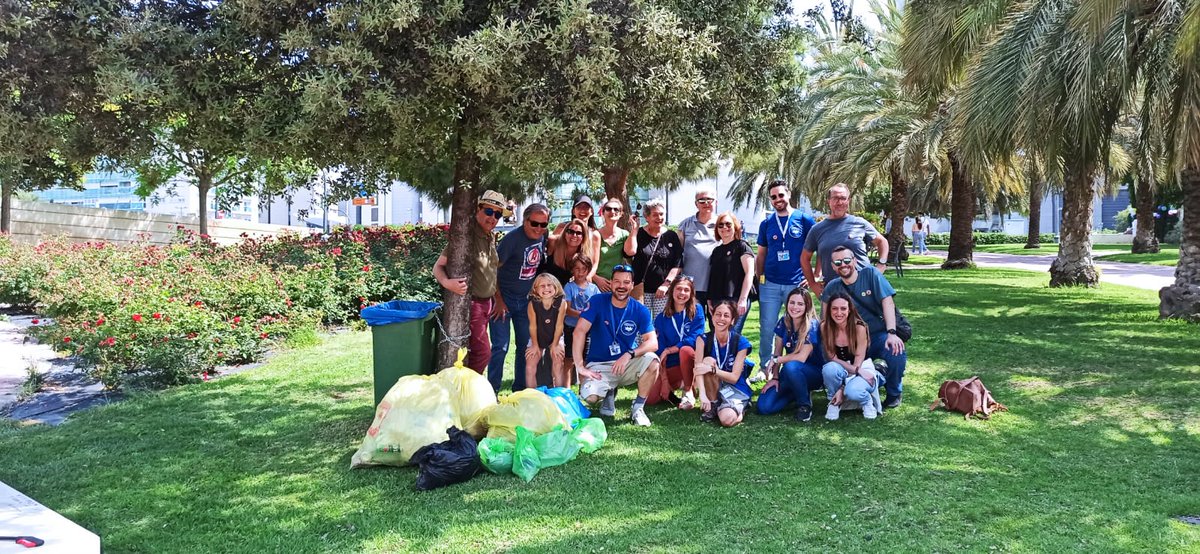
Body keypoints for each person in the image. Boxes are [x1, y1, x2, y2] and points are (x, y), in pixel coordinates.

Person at [572, 264, 661, 426]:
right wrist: (580, 366)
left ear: (632, 285)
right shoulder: (597, 301)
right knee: (590, 398)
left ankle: (638, 408)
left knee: (653, 361)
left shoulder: (640, 309)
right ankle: (608, 392)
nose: (621, 286)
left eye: (626, 282)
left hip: (625, 363)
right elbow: (579, 332)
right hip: (600, 364)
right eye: (617, 281)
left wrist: (629, 354)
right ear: (611, 283)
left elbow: (653, 342)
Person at [821, 245, 908, 409]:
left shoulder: (870, 274)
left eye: (847, 260)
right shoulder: (832, 287)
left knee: (896, 350)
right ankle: (840, 391)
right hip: (848, 341)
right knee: (831, 362)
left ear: (854, 260)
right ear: (833, 266)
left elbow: (887, 302)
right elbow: (825, 320)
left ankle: (894, 392)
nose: (843, 265)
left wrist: (891, 333)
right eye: (838, 262)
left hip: (877, 335)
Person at [433, 190, 508, 375]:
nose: (493, 218)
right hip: (473, 303)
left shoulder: (490, 236)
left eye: (498, 214)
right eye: (489, 212)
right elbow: (437, 267)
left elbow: (491, 271)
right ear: (478, 209)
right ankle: (469, 391)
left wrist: (497, 298)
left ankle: (473, 391)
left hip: (487, 304)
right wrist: (447, 283)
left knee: (477, 351)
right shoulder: (467, 236)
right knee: (483, 353)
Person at [484, 203, 549, 391]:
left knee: (525, 348)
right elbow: (492, 269)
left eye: (543, 225)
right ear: (525, 220)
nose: (539, 228)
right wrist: (498, 299)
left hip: (525, 302)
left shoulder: (542, 236)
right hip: (503, 300)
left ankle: (519, 391)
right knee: (500, 347)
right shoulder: (512, 240)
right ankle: (492, 390)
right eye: (534, 224)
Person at [755, 180, 816, 368]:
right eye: (773, 197)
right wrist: (760, 279)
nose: (777, 199)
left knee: (798, 326)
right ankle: (766, 365)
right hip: (770, 283)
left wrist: (813, 277)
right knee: (767, 328)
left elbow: (818, 248)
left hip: (796, 285)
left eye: (781, 195)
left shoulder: (804, 219)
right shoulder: (767, 223)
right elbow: (761, 254)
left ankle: (798, 363)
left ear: (788, 194)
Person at [802, 183, 888, 297]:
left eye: (843, 198)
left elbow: (882, 242)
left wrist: (881, 265)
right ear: (828, 201)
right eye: (835, 198)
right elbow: (804, 258)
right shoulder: (817, 229)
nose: (840, 202)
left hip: (864, 287)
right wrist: (813, 284)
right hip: (833, 290)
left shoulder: (859, 223)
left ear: (849, 201)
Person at [756, 287, 825, 422]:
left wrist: (777, 360)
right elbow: (777, 351)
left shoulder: (812, 325)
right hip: (789, 374)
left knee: (792, 366)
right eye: (792, 302)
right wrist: (775, 378)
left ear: (807, 306)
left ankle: (804, 406)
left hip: (813, 374)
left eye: (800, 304)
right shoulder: (784, 322)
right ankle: (797, 392)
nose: (795, 307)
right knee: (764, 407)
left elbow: (801, 357)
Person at [820, 292, 883, 421]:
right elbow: (832, 357)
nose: (839, 313)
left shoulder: (859, 327)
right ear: (829, 310)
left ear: (849, 310)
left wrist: (844, 386)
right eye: (834, 308)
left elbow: (858, 362)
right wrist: (844, 382)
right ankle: (834, 402)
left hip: (861, 367)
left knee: (853, 391)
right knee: (829, 369)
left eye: (843, 308)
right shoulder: (824, 327)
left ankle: (867, 401)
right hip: (845, 369)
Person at [694, 301, 754, 427]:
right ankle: (714, 403)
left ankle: (741, 407)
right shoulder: (702, 339)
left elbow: (734, 378)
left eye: (726, 316)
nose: (721, 319)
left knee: (726, 420)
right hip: (714, 386)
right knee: (707, 361)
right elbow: (698, 369)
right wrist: (703, 395)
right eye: (718, 314)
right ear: (712, 316)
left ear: (732, 320)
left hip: (735, 387)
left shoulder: (740, 342)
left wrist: (713, 370)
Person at [649, 275, 704, 409]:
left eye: (686, 290)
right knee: (652, 399)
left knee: (685, 349)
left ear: (691, 294)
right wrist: (664, 381)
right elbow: (660, 350)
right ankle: (678, 383)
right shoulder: (661, 318)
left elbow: (695, 337)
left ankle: (688, 390)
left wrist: (672, 349)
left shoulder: (697, 311)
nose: (682, 293)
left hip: (691, 362)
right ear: (671, 291)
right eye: (679, 289)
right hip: (671, 365)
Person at [625, 198, 682, 318]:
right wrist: (634, 230)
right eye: (655, 215)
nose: (659, 218)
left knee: (661, 324)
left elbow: (678, 264)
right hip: (640, 289)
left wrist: (666, 284)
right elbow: (629, 252)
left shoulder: (671, 236)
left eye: (661, 214)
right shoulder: (639, 234)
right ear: (646, 217)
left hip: (663, 291)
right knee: (640, 324)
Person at [707, 211, 756, 333]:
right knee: (717, 334)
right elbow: (713, 277)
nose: (724, 228)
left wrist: (743, 299)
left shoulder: (742, 246)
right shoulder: (716, 251)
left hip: (736, 299)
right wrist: (709, 299)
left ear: (735, 226)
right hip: (717, 299)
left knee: (731, 334)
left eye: (728, 224)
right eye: (721, 225)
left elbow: (750, 273)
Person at [677, 188, 720, 309]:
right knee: (692, 322)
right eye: (702, 200)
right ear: (696, 204)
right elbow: (677, 254)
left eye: (709, 200)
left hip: (715, 284)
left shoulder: (722, 223)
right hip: (691, 284)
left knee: (717, 323)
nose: (706, 203)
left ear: (716, 202)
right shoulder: (685, 224)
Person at [563, 253, 600, 386]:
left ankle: (584, 388)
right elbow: (567, 309)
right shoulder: (569, 287)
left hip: (588, 330)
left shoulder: (594, 288)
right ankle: (566, 389)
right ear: (572, 269)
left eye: (583, 269)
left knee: (584, 360)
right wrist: (584, 315)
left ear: (588, 270)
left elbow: (598, 308)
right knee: (568, 359)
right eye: (577, 269)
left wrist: (589, 317)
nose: (580, 272)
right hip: (571, 328)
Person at [525, 273, 567, 388]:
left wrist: (555, 345)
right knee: (530, 364)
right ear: (535, 289)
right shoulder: (532, 304)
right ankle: (532, 395)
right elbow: (533, 326)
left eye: (549, 285)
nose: (546, 288)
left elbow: (559, 326)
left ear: (555, 287)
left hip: (556, 337)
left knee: (558, 363)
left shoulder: (562, 303)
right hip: (537, 337)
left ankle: (558, 395)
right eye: (542, 286)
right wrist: (534, 345)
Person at [540, 218, 597, 285]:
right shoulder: (553, 242)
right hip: (547, 288)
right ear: (565, 233)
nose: (574, 235)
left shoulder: (584, 253)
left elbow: (591, 269)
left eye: (579, 233)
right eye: (570, 231)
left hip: (569, 292)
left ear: (584, 237)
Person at [551, 195, 602, 264]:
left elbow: (594, 264)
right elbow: (551, 249)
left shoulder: (594, 234)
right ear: (573, 211)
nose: (582, 210)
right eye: (579, 207)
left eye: (586, 207)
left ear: (592, 211)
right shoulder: (561, 228)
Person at [594, 198, 631, 292]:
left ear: (621, 214)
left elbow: (631, 252)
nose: (612, 211)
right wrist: (596, 279)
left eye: (616, 209)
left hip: (617, 286)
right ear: (603, 212)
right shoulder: (595, 235)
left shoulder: (625, 235)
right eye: (608, 209)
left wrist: (634, 230)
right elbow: (587, 262)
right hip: (597, 285)